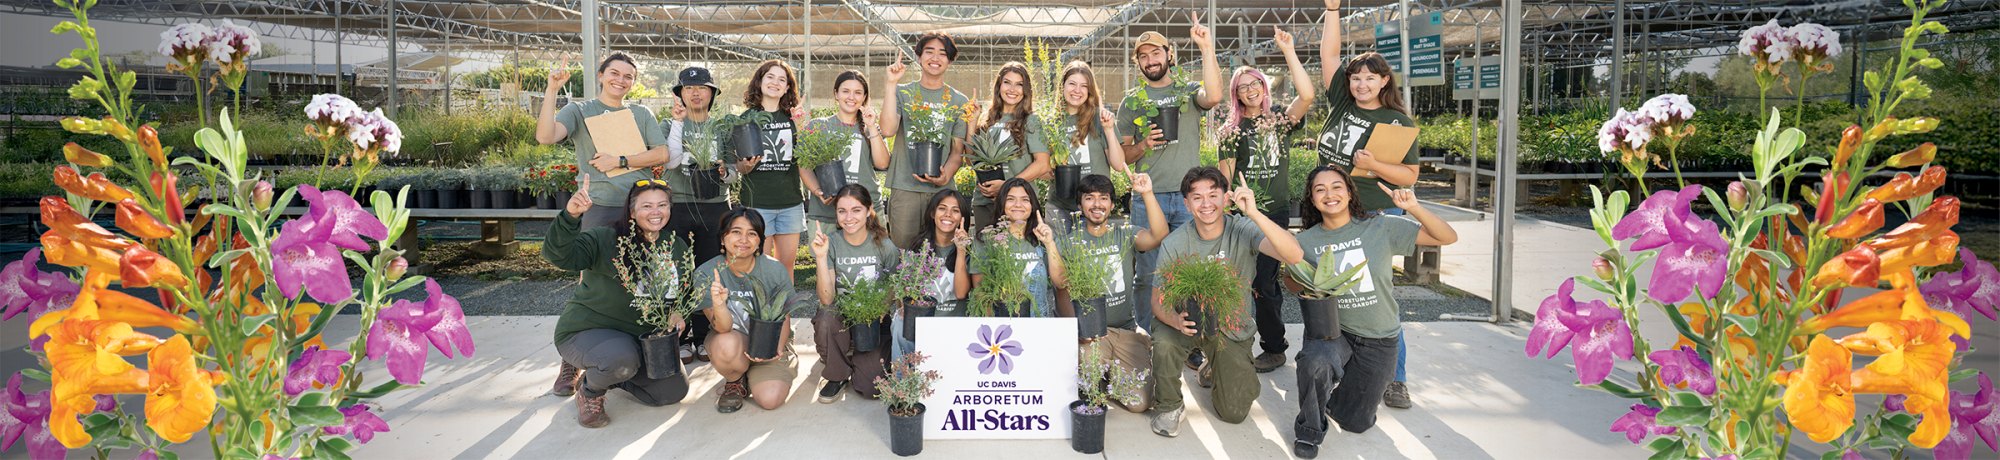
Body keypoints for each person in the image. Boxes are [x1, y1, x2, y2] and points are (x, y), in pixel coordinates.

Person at [1287, 165, 1458, 458]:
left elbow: (1447, 237)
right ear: (1312, 199)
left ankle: (1335, 397)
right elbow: (1292, 281)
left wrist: (1414, 207)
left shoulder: (1381, 227)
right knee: (1316, 362)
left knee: (1356, 422)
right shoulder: (1305, 241)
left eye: (1337, 186)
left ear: (1350, 191)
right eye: (1320, 189)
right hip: (1332, 332)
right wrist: (1308, 284)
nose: (1330, 194)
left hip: (1379, 337)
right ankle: (1309, 431)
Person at [536, 52, 674, 396]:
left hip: (640, 208)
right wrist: (552, 90)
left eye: (628, 76)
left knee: (642, 276)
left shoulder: (640, 113)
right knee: (590, 278)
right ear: (601, 75)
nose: (621, 80)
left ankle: (632, 343)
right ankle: (573, 358)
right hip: (599, 206)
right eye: (615, 73)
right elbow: (546, 136)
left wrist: (621, 160)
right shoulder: (580, 111)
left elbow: (661, 154)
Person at [1312, 0, 1424, 408]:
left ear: (1383, 81)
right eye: (1356, 77)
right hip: (1328, 212)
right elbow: (1328, 55)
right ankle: (1336, 368)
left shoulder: (1397, 121)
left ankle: (1394, 378)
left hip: (1374, 215)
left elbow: (1409, 177)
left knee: (1376, 296)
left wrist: (1376, 164)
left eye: (1369, 78)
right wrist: (1332, 10)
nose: (1360, 83)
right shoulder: (1342, 103)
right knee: (1332, 293)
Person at [1146, 166, 1303, 438]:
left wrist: (1253, 212)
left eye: (1213, 195)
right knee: (1164, 342)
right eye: (1197, 197)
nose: (1206, 204)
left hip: (1229, 325)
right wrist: (1174, 320)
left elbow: (1294, 255)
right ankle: (1169, 405)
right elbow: (1157, 299)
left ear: (1225, 198)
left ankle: (1215, 368)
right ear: (1187, 203)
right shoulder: (1175, 242)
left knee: (1234, 413)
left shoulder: (1243, 229)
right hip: (1187, 321)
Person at [544, 181, 693, 428]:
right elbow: (559, 255)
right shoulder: (605, 238)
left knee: (671, 391)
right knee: (620, 359)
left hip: (640, 340)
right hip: (589, 329)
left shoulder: (675, 245)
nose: (656, 212)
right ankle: (590, 392)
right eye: (647, 206)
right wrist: (570, 216)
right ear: (632, 212)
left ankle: (611, 375)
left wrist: (678, 312)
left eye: (662, 205)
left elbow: (685, 289)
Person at [1215, 27, 1316, 374]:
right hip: (1243, 219)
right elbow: (1225, 177)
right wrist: (1220, 211)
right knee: (1240, 282)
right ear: (1236, 96)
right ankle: (1234, 342)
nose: (1249, 90)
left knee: (1266, 284)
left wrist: (1288, 51)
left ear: (1264, 87)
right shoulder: (1231, 132)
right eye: (1242, 87)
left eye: (1254, 83)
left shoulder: (1280, 123)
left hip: (1273, 217)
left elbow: (1306, 94)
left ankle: (1274, 348)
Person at [1117, 17, 1226, 337]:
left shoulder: (1188, 92)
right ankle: (1147, 337)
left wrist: (1207, 47)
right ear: (1138, 63)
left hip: (1187, 198)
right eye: (1143, 56)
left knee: (1190, 270)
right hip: (1147, 199)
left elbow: (1215, 96)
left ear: (1169, 55)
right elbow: (1122, 157)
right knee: (1148, 274)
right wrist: (1143, 145)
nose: (1150, 60)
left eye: (1156, 53)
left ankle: (1189, 337)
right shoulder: (1132, 101)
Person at [1054, 173, 1167, 413]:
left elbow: (1158, 236)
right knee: (1087, 384)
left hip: (1124, 331)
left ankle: (1123, 361)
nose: (1097, 204)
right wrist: (1076, 331)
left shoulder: (1123, 233)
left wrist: (1146, 193)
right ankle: (1103, 371)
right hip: (1092, 336)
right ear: (1079, 204)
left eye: (1103, 198)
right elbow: (1062, 290)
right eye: (1089, 198)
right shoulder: (1068, 242)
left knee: (1140, 403)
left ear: (1112, 204)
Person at [693, 208, 801, 413]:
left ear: (760, 241)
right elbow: (722, 327)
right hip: (734, 340)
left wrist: (776, 349)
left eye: (752, 233)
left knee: (770, 399)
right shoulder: (706, 273)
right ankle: (735, 379)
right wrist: (718, 303)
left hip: (770, 341)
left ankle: (767, 368)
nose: (744, 239)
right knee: (725, 343)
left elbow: (784, 315)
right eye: (736, 232)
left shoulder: (773, 269)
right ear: (722, 238)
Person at [662, 65, 732, 366]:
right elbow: (672, 160)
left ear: (712, 94)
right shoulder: (668, 124)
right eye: (688, 88)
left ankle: (704, 334)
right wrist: (678, 124)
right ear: (679, 93)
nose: (695, 92)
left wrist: (724, 171)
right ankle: (680, 337)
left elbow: (732, 174)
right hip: (678, 205)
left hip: (715, 206)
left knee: (709, 271)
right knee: (675, 271)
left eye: (703, 88)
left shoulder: (722, 127)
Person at [809, 185, 902, 403]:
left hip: (872, 319)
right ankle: (837, 373)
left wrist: (878, 311)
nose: (848, 217)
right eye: (842, 211)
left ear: (869, 210)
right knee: (826, 317)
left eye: (856, 210)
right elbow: (827, 299)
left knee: (872, 389)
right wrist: (821, 257)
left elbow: (894, 286)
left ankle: (854, 353)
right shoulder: (831, 243)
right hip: (841, 316)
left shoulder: (885, 246)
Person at [880, 31, 973, 248]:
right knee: (904, 251)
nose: (935, 58)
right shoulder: (903, 92)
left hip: (942, 193)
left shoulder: (959, 101)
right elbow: (887, 129)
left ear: (949, 61)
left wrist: (945, 176)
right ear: (919, 57)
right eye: (929, 52)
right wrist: (891, 83)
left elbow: (957, 151)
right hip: (905, 186)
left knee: (942, 251)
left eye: (942, 54)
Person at [730, 59, 811, 275]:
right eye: (770, 77)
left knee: (786, 267)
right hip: (758, 203)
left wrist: (802, 127)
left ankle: (784, 310)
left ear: (787, 88)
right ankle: (761, 310)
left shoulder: (794, 118)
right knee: (758, 266)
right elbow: (740, 167)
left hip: (790, 204)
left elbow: (808, 157)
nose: (775, 82)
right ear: (760, 82)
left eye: (782, 79)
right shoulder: (746, 119)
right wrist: (747, 166)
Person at [804, 70, 891, 241]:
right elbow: (804, 166)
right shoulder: (818, 126)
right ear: (836, 94)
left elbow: (882, 164)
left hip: (867, 211)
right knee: (827, 265)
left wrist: (872, 127)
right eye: (845, 91)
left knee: (872, 264)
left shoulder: (870, 128)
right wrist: (818, 191)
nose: (851, 97)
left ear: (864, 97)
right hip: (826, 213)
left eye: (858, 92)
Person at [1042, 61, 1127, 232]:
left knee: (1091, 256)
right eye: (1072, 84)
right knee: (1057, 255)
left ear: (1089, 91)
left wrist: (1109, 129)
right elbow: (1043, 171)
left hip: (1094, 207)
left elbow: (1118, 165)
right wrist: (1051, 172)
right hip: (1060, 207)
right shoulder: (1051, 123)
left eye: (1083, 86)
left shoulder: (1099, 118)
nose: (1077, 90)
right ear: (1063, 86)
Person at [968, 62, 1051, 230]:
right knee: (987, 253)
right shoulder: (986, 121)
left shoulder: (1031, 121)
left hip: (1019, 205)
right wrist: (973, 121)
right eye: (1007, 82)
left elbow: (1043, 164)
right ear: (999, 86)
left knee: (1019, 252)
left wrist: (1007, 185)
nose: (1012, 89)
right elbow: (971, 161)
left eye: (1019, 84)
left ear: (1025, 90)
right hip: (985, 203)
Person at [895, 189, 973, 359]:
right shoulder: (917, 250)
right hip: (925, 325)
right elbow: (908, 298)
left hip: (955, 325)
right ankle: (903, 377)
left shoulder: (970, 252)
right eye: (942, 208)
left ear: (963, 218)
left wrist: (961, 251)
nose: (948, 214)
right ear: (932, 213)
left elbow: (960, 293)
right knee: (900, 321)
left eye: (956, 210)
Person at [969, 178, 1061, 318]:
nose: (1018, 205)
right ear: (1002, 203)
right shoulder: (986, 239)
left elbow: (1061, 282)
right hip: (1001, 324)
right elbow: (981, 292)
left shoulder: (1044, 237)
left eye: (1025, 199)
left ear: (1032, 205)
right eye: (1011, 199)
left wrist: (1049, 244)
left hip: (1039, 324)